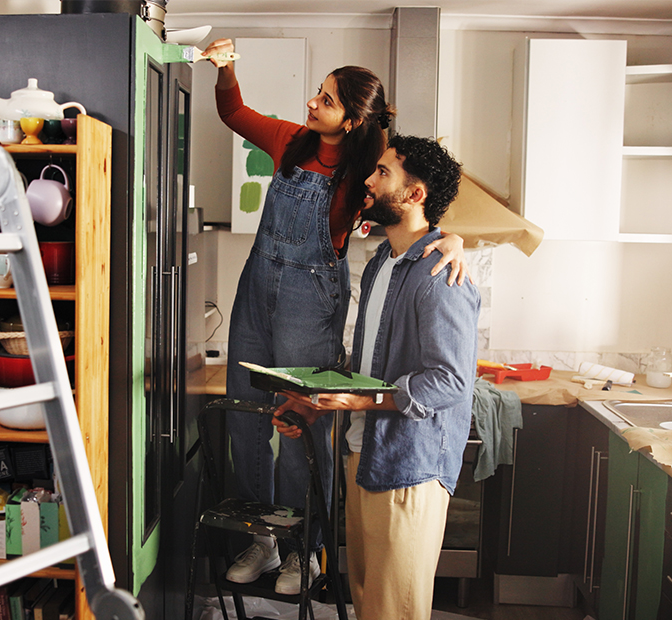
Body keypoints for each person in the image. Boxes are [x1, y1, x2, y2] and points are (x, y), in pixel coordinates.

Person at [202, 38, 470, 595]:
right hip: (256, 291)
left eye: (325, 98)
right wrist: (226, 69)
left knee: (303, 424)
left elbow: (422, 203)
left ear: (352, 121)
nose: (312, 103)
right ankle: (265, 542)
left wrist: (457, 242)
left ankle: (306, 549)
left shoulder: (368, 174)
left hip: (310, 301)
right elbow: (232, 111)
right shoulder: (291, 142)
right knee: (246, 419)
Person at [273, 134, 479, 619]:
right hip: (364, 455)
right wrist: (309, 400)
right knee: (370, 603)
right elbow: (366, 364)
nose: (368, 178)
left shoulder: (442, 275)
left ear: (415, 195)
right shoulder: (382, 262)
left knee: (396, 611)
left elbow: (450, 381)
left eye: (383, 172)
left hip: (409, 465)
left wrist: (361, 404)